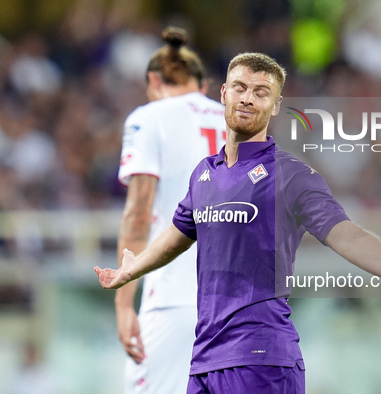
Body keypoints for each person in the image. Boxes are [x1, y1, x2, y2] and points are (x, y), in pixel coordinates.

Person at [96, 52, 381, 394]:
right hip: (205, 360)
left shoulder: (290, 175)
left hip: (262, 359)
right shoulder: (204, 174)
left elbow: (347, 235)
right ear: (224, 93)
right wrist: (133, 269)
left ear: (276, 107)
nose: (247, 98)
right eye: (241, 88)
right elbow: (177, 236)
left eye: (261, 92)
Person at [115, 27, 226, 393]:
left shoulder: (149, 117)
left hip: (176, 296)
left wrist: (123, 302)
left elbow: (138, 212)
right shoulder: (237, 120)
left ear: (152, 80)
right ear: (204, 85)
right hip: (241, 301)